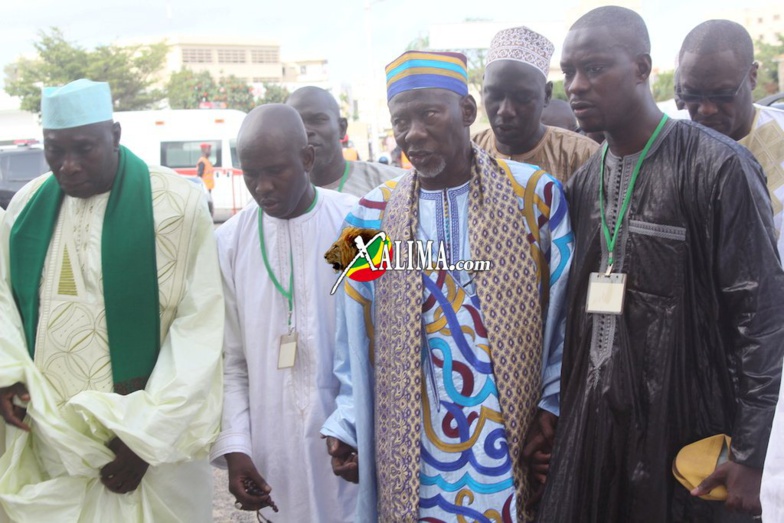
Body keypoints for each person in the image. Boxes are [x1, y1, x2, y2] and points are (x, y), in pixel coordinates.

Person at [538, 7, 784, 522]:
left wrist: (751, 452)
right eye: (569, 73)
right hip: (597, 435)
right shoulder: (583, 185)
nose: (577, 86)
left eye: (596, 68)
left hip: (689, 428)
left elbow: (761, 317)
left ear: (643, 68)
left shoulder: (718, 166)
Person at [321, 50, 573, 522]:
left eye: (429, 115)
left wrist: (554, 406)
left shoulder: (536, 194)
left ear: (466, 112)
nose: (412, 134)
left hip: (509, 441)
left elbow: (564, 317)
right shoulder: (367, 214)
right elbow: (350, 337)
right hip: (412, 446)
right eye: (401, 121)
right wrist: (348, 422)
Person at [0, 79, 224, 522]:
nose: (69, 166)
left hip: (150, 443)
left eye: (84, 148)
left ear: (115, 136)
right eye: (54, 150)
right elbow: (4, 299)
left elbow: (199, 326)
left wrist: (147, 437)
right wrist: (6, 375)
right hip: (52, 434)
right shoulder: (26, 206)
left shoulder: (177, 205)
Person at [209, 104, 359, 522]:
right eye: (251, 174)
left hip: (349, 445)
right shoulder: (230, 242)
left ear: (307, 159)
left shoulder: (356, 224)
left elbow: (379, 339)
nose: (264, 186)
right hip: (274, 452)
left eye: (277, 171)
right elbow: (231, 359)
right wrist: (237, 447)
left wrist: (360, 428)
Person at [678, 19, 784, 257]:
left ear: (752, 76)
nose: (706, 109)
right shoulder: (673, 151)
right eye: (692, 95)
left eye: (721, 94)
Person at [473, 26, 598, 183]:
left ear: (546, 94)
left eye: (522, 97)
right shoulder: (466, 153)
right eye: (495, 95)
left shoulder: (582, 156)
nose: (505, 111)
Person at [286, 86, 403, 197]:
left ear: (342, 128)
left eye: (317, 120)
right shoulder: (278, 196)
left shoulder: (394, 185)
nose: (306, 131)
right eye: (296, 122)